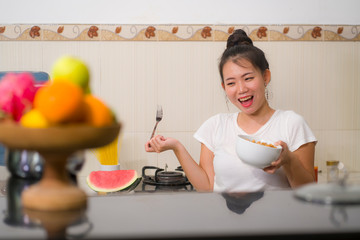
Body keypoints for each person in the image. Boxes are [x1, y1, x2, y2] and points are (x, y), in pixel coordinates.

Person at [145, 29, 317, 192]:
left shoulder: (292, 123)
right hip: (225, 222)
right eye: (231, 83)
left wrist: (288, 160)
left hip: (275, 223)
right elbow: (207, 187)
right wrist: (177, 147)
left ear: (266, 77)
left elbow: (307, 192)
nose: (241, 89)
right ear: (224, 87)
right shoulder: (215, 126)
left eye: (248, 78)